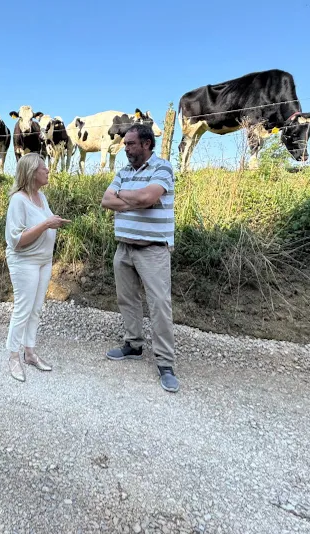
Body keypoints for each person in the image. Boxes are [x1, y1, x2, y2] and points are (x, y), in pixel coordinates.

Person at [100, 123, 179, 393]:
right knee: (127, 299)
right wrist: (135, 199)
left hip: (153, 250)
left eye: (131, 144)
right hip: (124, 248)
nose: (126, 148)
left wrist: (128, 197)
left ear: (147, 143)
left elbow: (148, 196)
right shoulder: (123, 172)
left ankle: (165, 363)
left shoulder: (162, 168)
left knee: (159, 304)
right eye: (125, 144)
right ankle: (133, 345)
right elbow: (106, 201)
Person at [4, 152, 70, 382]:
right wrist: (46, 225)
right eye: (44, 168)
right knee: (23, 309)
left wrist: (54, 222)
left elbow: (45, 222)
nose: (48, 171)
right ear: (32, 173)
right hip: (25, 262)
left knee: (36, 309)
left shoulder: (41, 197)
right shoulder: (18, 200)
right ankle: (13, 357)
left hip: (43, 261)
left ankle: (29, 352)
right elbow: (17, 240)